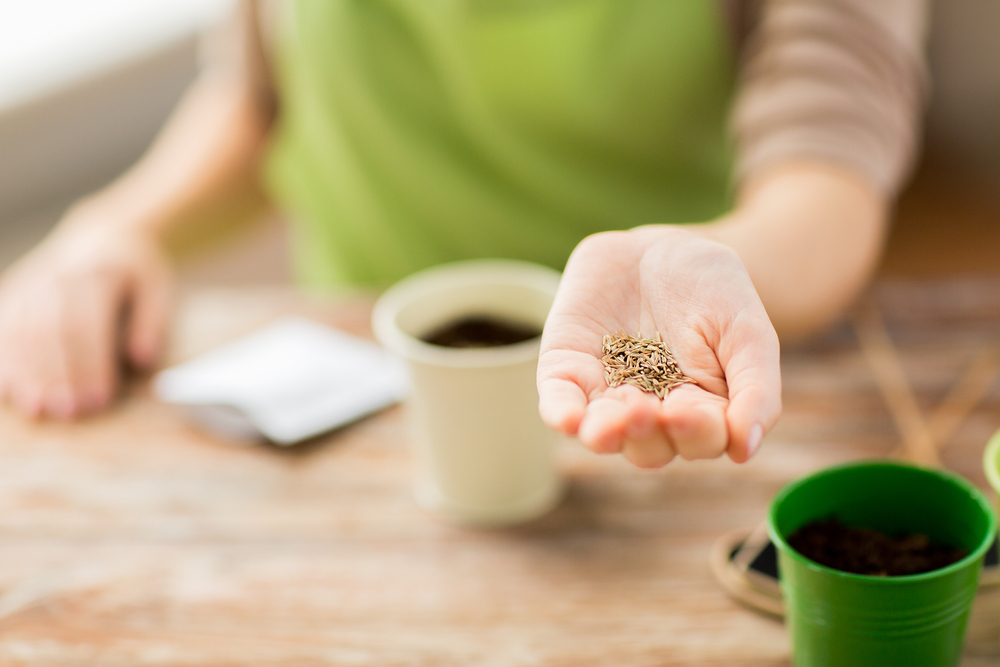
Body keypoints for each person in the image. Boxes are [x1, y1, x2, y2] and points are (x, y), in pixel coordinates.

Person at [0, 1, 928, 470]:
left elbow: (828, 177)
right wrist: (116, 223)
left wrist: (714, 265)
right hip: (357, 398)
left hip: (664, 398)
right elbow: (256, 97)